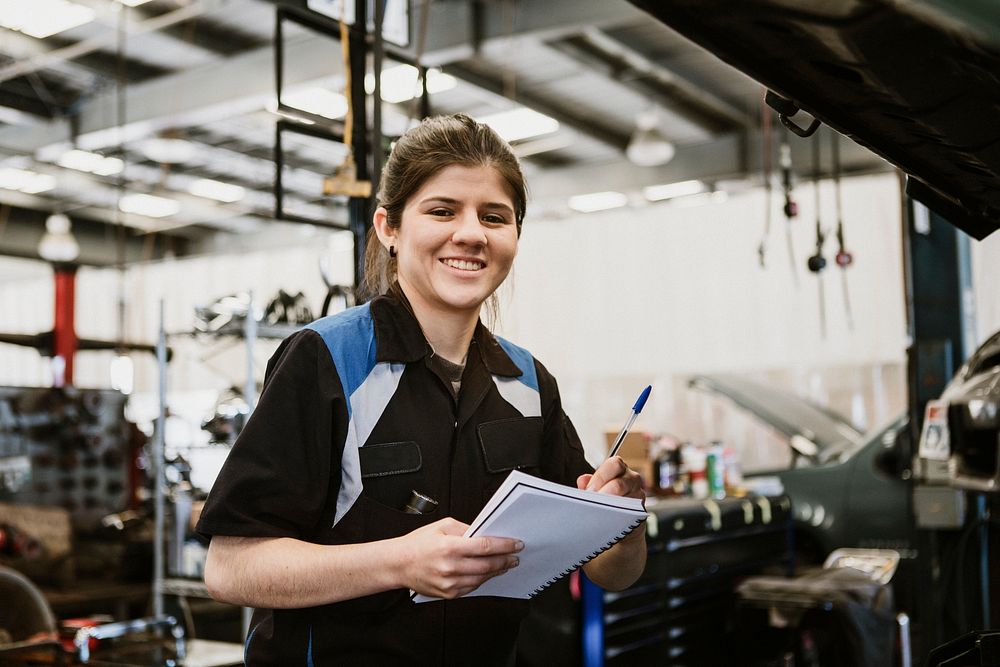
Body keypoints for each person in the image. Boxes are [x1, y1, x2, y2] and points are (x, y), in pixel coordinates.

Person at [197, 113, 646, 666]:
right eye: (442, 210)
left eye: (494, 217)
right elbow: (229, 568)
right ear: (389, 227)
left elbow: (610, 572)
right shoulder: (326, 360)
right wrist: (398, 563)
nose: (471, 234)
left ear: (515, 237)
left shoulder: (528, 383)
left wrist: (622, 525)